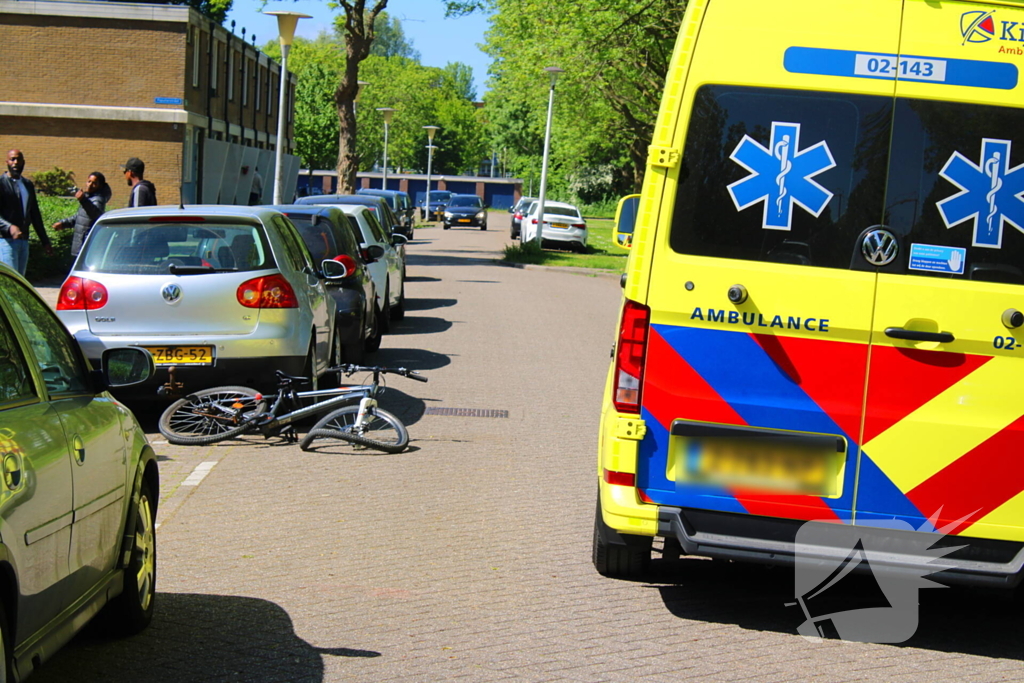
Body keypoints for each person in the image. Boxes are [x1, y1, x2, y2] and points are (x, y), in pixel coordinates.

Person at [0, 149, 53, 275]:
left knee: (20, 282)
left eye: (19, 159)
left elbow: (35, 214)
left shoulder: (27, 184)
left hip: (23, 240)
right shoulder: (1, 183)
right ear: (7, 162)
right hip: (5, 241)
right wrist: (10, 228)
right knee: (11, 282)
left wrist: (45, 241)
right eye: (12, 159)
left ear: (23, 162)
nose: (16, 162)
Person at [52, 172, 111, 258]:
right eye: (89, 181)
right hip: (80, 245)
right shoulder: (89, 197)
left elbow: (95, 215)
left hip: (87, 246)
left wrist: (83, 200)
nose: (90, 185)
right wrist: (64, 223)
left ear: (100, 186)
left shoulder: (98, 199)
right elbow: (81, 217)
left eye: (94, 183)